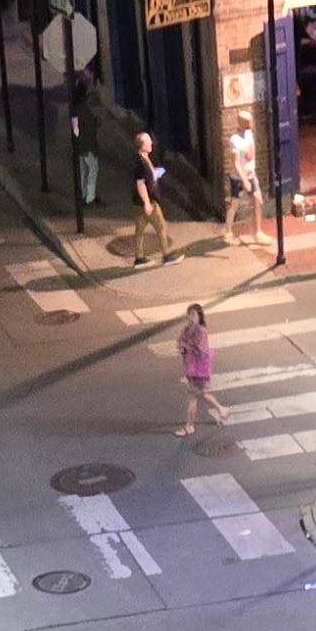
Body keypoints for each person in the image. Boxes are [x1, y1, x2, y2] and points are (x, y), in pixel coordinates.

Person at [173, 300, 227, 442]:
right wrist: (183, 348)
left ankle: (190, 426)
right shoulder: (186, 330)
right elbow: (180, 345)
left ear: (199, 316)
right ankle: (221, 410)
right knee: (199, 395)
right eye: (188, 315)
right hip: (190, 368)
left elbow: (200, 350)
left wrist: (187, 347)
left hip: (200, 369)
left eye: (193, 314)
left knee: (194, 396)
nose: (190, 318)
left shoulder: (202, 331)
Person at [128, 126, 168, 265]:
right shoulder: (141, 163)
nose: (151, 143)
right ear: (142, 145)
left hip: (139, 202)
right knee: (161, 227)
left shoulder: (144, 159)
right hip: (149, 201)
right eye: (148, 141)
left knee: (139, 230)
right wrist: (147, 203)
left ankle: (139, 258)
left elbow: (145, 178)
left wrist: (155, 173)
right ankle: (166, 256)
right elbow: (141, 184)